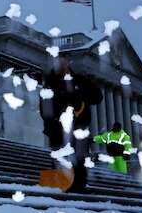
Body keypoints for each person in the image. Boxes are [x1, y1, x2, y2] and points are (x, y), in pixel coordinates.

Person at [41, 57, 103, 193]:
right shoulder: (50, 83)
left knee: (79, 158)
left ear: (68, 62)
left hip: (78, 127)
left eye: (62, 61)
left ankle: (79, 187)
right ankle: (63, 186)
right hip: (58, 129)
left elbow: (97, 97)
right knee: (61, 157)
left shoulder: (80, 80)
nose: (59, 65)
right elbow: (44, 108)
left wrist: (84, 89)